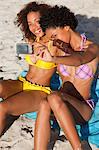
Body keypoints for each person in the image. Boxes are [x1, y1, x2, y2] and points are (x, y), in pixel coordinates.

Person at [33, 5, 99, 150]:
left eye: (55, 36)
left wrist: (54, 59)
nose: (54, 40)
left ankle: (78, 148)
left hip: (81, 109)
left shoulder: (92, 48)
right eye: (51, 38)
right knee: (45, 103)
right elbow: (38, 42)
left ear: (67, 27)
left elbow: (80, 59)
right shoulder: (59, 50)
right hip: (59, 107)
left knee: (54, 97)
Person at [0, 1, 58, 148]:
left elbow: (72, 53)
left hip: (39, 91)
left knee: (3, 107)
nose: (34, 27)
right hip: (23, 82)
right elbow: (19, 49)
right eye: (30, 23)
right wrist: (32, 49)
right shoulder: (32, 40)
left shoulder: (56, 42)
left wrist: (46, 49)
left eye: (37, 21)